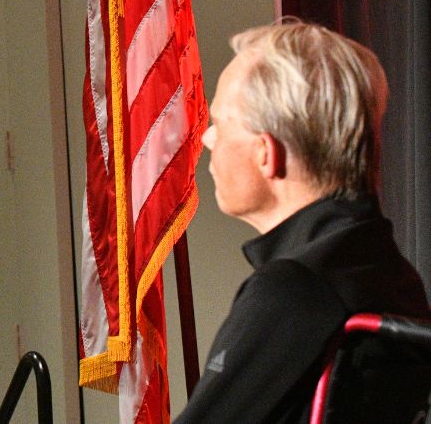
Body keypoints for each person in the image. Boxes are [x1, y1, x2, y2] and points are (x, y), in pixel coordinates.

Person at [174, 21, 430, 423]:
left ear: (265, 154)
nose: (207, 139)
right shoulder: (391, 274)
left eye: (220, 123)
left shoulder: (294, 292)